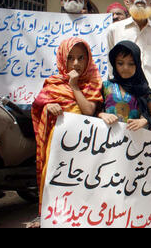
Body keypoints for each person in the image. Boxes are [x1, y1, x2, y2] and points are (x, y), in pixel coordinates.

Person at [29, 37, 103, 227]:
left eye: (81, 58)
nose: (76, 63)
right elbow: (39, 106)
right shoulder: (52, 84)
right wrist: (48, 107)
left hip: (84, 146)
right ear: (63, 59)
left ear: (88, 59)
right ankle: (48, 215)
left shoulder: (93, 82)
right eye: (71, 58)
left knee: (79, 184)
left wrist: (75, 86)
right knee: (53, 178)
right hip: (56, 145)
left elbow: (88, 110)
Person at [98, 40, 151, 131]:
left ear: (137, 64)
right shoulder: (105, 86)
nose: (125, 68)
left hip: (134, 140)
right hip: (107, 137)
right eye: (120, 63)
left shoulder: (144, 90)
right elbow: (95, 112)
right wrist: (103, 115)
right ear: (114, 63)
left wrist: (144, 121)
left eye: (131, 64)